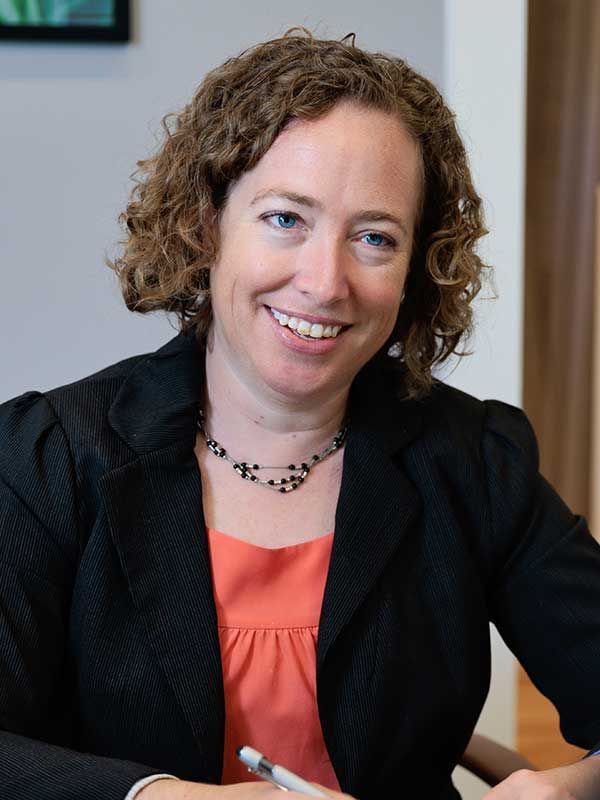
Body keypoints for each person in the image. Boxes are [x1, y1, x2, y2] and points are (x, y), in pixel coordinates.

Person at [1, 27, 599, 800]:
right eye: (286, 218)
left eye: (374, 238)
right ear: (206, 224)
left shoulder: (475, 458)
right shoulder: (49, 455)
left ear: (416, 267)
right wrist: (160, 797)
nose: (325, 281)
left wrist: (567, 789)